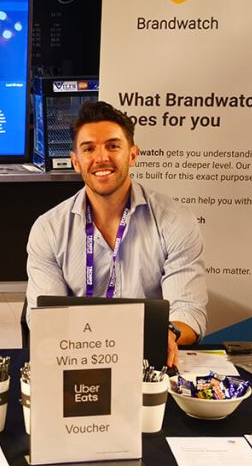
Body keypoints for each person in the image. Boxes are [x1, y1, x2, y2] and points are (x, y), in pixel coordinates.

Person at [25, 101, 207, 367]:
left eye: (113, 146)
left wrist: (168, 334)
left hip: (147, 361)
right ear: (75, 161)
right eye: (89, 149)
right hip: (76, 357)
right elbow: (44, 318)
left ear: (132, 155)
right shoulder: (48, 229)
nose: (101, 158)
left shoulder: (175, 220)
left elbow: (189, 310)